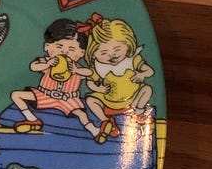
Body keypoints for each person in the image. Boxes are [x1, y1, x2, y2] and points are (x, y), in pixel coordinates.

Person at [11, 19, 100, 139]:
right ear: (47, 47)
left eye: (71, 49)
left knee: (81, 114)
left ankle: (94, 131)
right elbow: (33, 66)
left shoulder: (76, 67)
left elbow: (90, 72)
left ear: (81, 53)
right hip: (45, 95)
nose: (64, 51)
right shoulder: (49, 62)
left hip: (68, 100)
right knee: (16, 95)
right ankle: (32, 119)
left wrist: (77, 70)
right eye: (59, 46)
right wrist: (47, 64)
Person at [84, 13, 154, 143]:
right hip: (108, 100)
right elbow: (89, 82)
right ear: (93, 54)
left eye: (117, 49)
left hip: (132, 99)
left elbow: (150, 71)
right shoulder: (98, 67)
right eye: (104, 52)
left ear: (128, 45)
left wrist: (142, 74)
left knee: (147, 89)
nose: (112, 55)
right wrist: (98, 89)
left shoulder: (132, 59)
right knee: (90, 100)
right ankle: (106, 121)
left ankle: (138, 114)